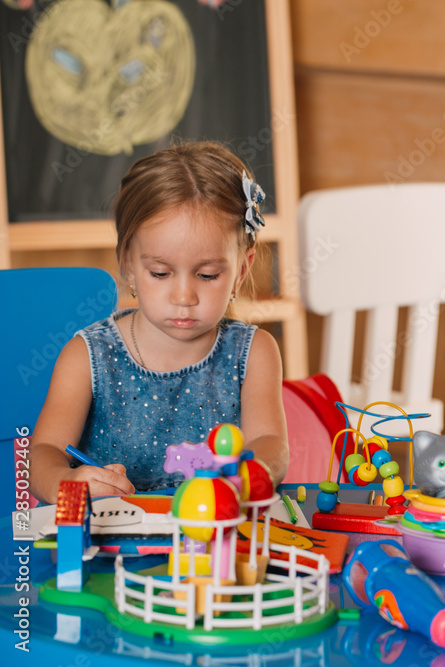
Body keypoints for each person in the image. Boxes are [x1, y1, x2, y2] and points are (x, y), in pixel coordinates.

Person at [29, 141, 288, 504]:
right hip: (109, 543)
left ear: (241, 270)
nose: (184, 297)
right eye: (160, 273)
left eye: (208, 275)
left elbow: (271, 445)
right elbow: (43, 451)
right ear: (129, 268)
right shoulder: (87, 356)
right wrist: (65, 483)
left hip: (211, 536)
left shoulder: (254, 352)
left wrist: (246, 479)